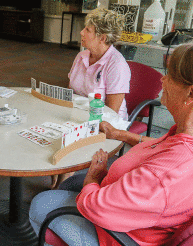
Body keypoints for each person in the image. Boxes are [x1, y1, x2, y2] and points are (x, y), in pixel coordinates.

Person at [30, 43, 193, 245]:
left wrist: (93, 178)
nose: (163, 78)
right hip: (128, 209)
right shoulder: (183, 135)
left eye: (170, 75)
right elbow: (160, 146)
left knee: (40, 203)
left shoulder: (166, 173)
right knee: (71, 183)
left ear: (190, 93)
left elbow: (97, 206)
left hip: (122, 235)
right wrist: (122, 135)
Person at [51, 8, 131, 189]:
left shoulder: (117, 65)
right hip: (80, 114)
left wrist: (80, 123)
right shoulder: (81, 56)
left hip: (104, 121)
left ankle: (61, 184)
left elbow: (112, 112)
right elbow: (70, 91)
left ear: (102, 37)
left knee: (70, 141)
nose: (81, 32)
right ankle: (56, 174)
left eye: (87, 30)